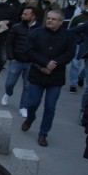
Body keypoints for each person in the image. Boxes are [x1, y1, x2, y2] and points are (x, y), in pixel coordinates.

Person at [22, 10, 76, 147]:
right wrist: (45, 63)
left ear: (60, 22)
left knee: (50, 107)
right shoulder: (37, 33)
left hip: (55, 78)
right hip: (37, 74)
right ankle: (30, 117)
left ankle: (43, 134)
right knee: (32, 103)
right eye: (49, 18)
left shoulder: (68, 36)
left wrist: (54, 64)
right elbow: (29, 51)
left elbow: (69, 54)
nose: (50, 21)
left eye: (53, 19)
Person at [4, 6, 38, 117]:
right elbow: (9, 43)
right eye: (23, 13)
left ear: (33, 17)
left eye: (25, 14)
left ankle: (23, 107)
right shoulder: (16, 27)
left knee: (27, 86)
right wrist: (11, 57)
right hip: (16, 60)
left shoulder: (38, 29)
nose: (22, 16)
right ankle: (8, 93)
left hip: (30, 62)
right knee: (10, 83)